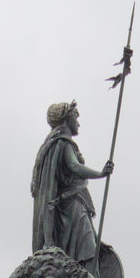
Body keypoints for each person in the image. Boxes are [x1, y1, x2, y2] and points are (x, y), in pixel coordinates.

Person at [31, 101, 113, 268]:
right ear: (67, 119)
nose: (78, 122)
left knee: (83, 251)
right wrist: (101, 173)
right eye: (76, 117)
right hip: (73, 208)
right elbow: (74, 166)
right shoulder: (64, 143)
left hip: (71, 206)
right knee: (88, 250)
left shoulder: (57, 144)